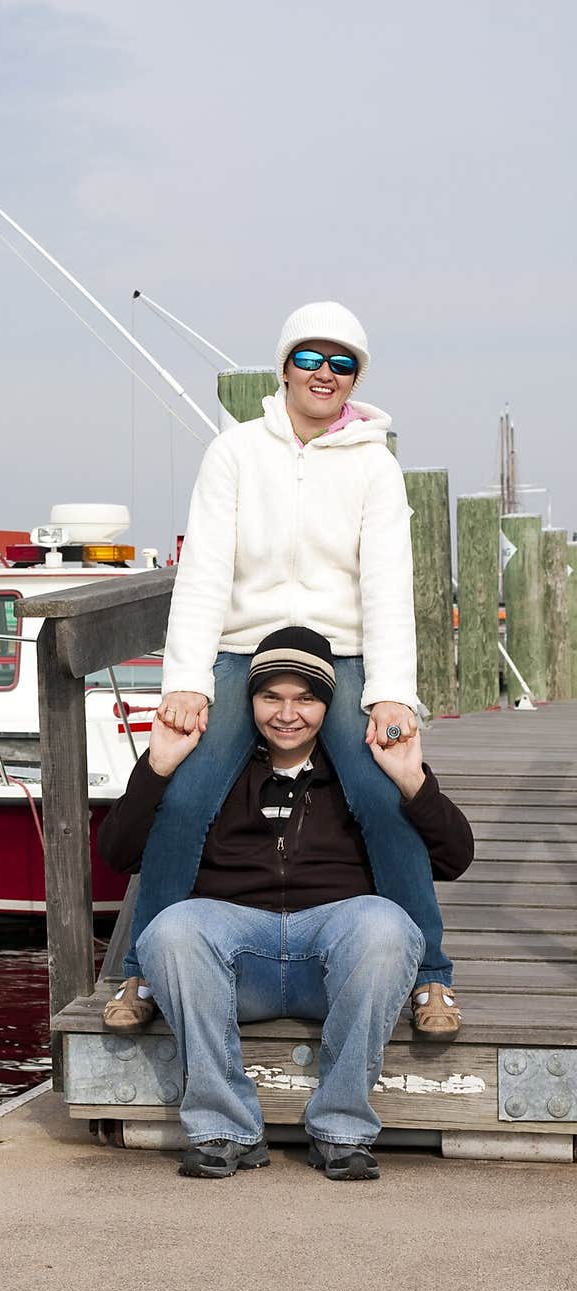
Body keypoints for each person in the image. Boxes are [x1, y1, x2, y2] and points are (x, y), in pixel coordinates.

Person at [103, 300, 461, 1040]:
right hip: (244, 650)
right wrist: (187, 681)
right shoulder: (234, 453)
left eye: (341, 363)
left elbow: (388, 584)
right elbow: (203, 570)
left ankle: (430, 980)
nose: (323, 374)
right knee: (186, 791)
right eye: (309, 358)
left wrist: (392, 693)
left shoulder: (375, 465)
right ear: (284, 367)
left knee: (381, 792)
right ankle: (143, 969)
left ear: (356, 376)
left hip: (345, 649)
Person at [98, 627, 474, 1180]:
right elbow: (117, 852)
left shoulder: (361, 775)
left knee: (385, 926)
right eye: (271, 696)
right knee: (173, 929)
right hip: (235, 958)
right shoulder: (206, 772)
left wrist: (412, 782)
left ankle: (342, 1129)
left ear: (328, 704)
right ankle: (223, 1128)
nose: (287, 714)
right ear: (250, 701)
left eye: (306, 698)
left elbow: (454, 859)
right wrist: (157, 768)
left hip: (332, 959)